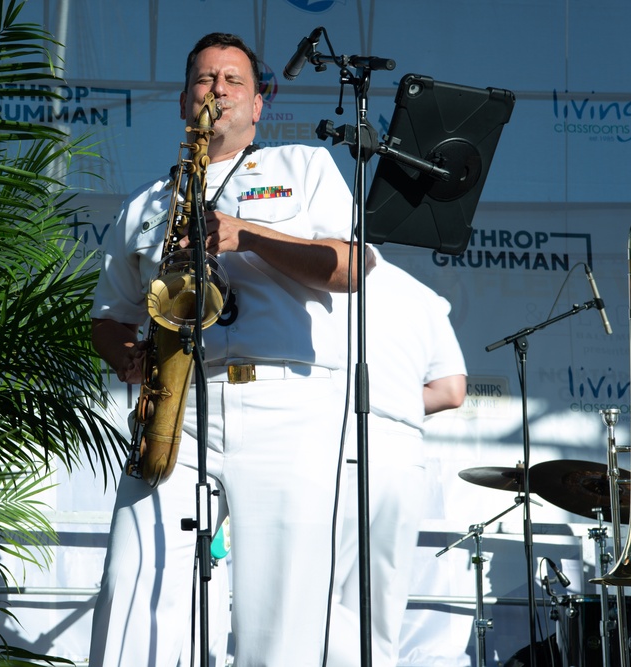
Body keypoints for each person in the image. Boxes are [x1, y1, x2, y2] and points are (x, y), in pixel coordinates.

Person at [88, 32, 373, 667]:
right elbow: (107, 316)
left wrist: (246, 235)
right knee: (137, 582)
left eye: (233, 80)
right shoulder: (145, 206)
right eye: (204, 79)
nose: (217, 89)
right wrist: (126, 356)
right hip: (177, 404)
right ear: (184, 103)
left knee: (285, 606)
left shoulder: (303, 168)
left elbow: (352, 267)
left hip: (286, 405)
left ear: (257, 106)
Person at [327, 247, 467, 667]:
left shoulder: (311, 287)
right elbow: (451, 390)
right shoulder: (420, 294)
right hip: (402, 457)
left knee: (314, 597)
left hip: (336, 451)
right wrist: (395, 404)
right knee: (380, 610)